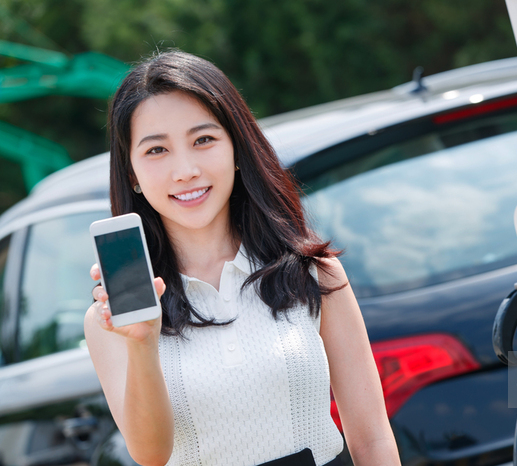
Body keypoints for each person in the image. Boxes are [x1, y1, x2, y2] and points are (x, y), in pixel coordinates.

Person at [84, 50, 401, 466]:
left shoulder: (314, 274)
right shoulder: (114, 321)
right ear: (131, 175)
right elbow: (151, 454)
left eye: (203, 140)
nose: (185, 170)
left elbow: (373, 438)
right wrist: (142, 343)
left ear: (236, 148)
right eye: (156, 150)